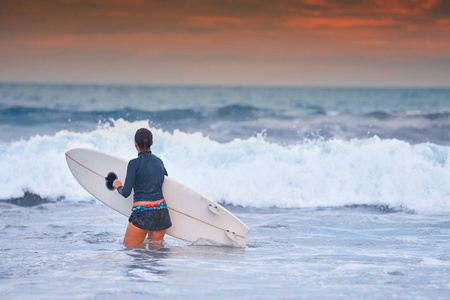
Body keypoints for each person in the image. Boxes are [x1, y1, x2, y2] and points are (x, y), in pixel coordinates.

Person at [112, 128, 172, 247]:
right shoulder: (159, 162)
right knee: (155, 259)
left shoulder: (134, 164)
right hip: (161, 212)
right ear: (152, 143)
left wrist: (118, 186)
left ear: (135, 144)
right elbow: (164, 176)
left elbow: (125, 193)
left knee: (131, 251)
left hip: (142, 213)